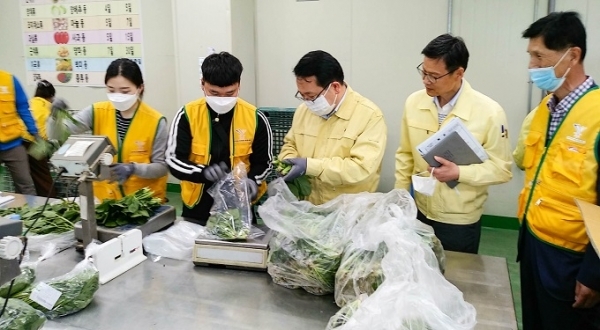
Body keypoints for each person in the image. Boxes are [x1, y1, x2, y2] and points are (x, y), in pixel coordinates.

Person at [518, 12, 600, 329]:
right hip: (533, 246)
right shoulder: (545, 108)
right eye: (531, 56)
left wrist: (595, 272)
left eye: (539, 56)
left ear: (573, 54)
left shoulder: (596, 115)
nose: (532, 66)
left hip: (573, 259)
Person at [394, 34, 512, 254]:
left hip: (459, 220)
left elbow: (501, 170)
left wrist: (458, 173)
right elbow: (405, 155)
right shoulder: (414, 103)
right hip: (419, 211)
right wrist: (400, 198)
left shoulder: (489, 112)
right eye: (424, 72)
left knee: (456, 278)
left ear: (459, 73)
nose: (426, 81)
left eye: (434, 76)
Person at [166, 52, 273, 224]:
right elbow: (173, 160)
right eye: (214, 93)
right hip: (197, 206)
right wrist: (202, 172)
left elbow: (265, 162)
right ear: (202, 84)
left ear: (239, 85)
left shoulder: (256, 118)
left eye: (230, 93)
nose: (222, 99)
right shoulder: (187, 115)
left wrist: (253, 181)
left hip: (240, 207)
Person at [48, 58, 168, 202]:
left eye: (125, 91)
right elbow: (57, 134)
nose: (118, 96)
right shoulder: (96, 112)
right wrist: (54, 117)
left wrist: (133, 169)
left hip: (141, 202)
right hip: (104, 200)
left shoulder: (155, 121)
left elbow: (161, 167)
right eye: (111, 90)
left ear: (140, 88)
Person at [278, 50, 387, 205]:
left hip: (349, 212)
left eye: (312, 96)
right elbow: (290, 144)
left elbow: (360, 169)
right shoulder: (304, 110)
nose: (307, 102)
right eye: (303, 96)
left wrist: (310, 166)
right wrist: (286, 162)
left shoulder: (369, 115)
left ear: (335, 87)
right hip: (309, 209)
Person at [0, 70, 38, 195]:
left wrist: (33, 131)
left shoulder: (9, 80)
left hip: (12, 144)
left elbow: (23, 107)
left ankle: (31, 213)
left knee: (25, 185)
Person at [22, 80, 58, 197]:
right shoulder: (49, 107)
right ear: (51, 96)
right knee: (43, 176)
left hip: (18, 141)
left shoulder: (29, 102)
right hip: (36, 141)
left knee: (24, 177)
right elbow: (52, 132)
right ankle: (50, 201)